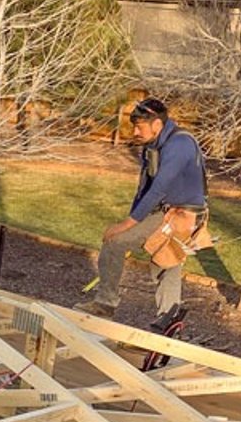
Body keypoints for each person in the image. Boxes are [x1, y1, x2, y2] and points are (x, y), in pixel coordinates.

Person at [76, 97, 207, 322]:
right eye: (134, 126)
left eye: (140, 126)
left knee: (154, 256)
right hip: (165, 209)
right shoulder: (152, 146)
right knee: (153, 256)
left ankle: (110, 305)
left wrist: (127, 225)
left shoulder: (180, 144)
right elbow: (143, 189)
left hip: (184, 213)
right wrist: (131, 218)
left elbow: (158, 188)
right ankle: (164, 318)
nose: (135, 131)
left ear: (157, 124)